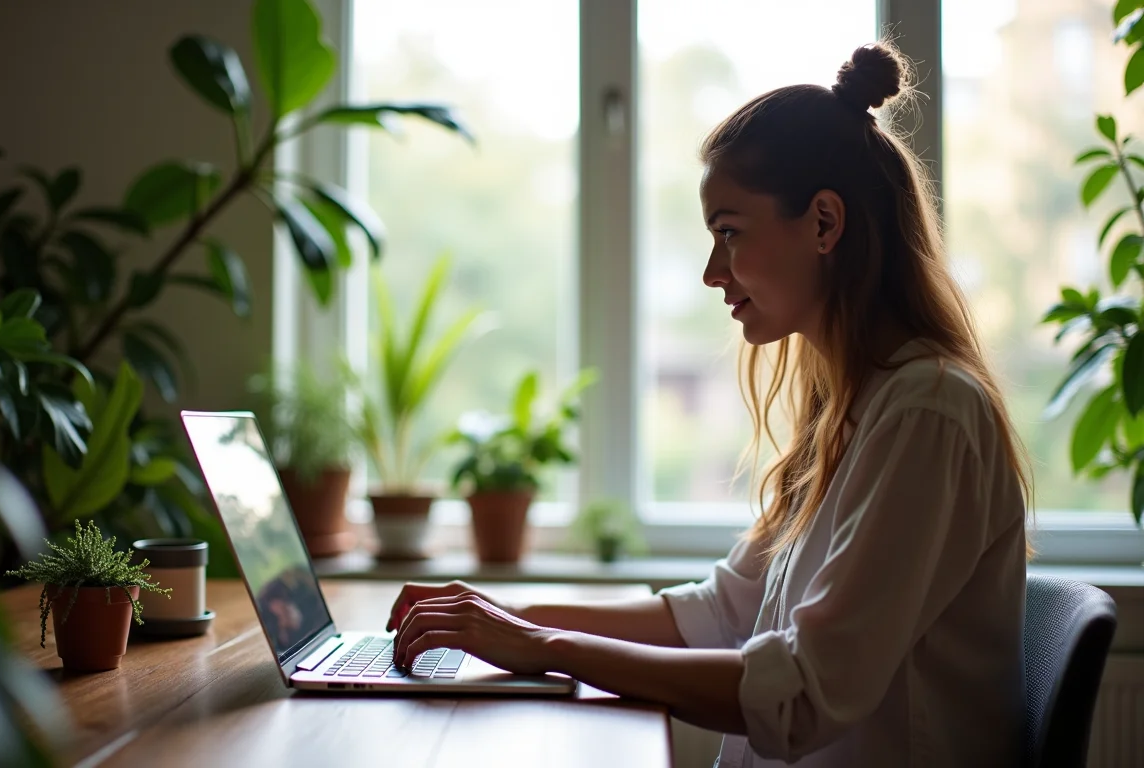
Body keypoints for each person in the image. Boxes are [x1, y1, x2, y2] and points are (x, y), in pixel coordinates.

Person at [386, 41, 1030, 768]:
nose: (711, 272)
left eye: (729, 233)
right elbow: (721, 615)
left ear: (824, 223)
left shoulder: (929, 415)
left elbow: (802, 695)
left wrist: (539, 646)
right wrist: (493, 618)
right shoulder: (853, 406)